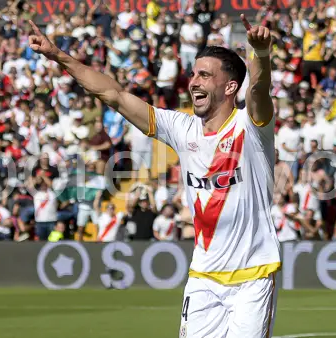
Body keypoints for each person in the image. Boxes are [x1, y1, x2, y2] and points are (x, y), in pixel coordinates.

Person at [28, 13, 281, 337]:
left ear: (230, 86)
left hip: (252, 275)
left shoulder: (250, 127)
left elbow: (259, 92)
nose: (193, 82)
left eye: (205, 75)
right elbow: (115, 96)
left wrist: (260, 55)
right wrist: (58, 56)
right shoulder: (181, 128)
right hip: (203, 277)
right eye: (193, 74)